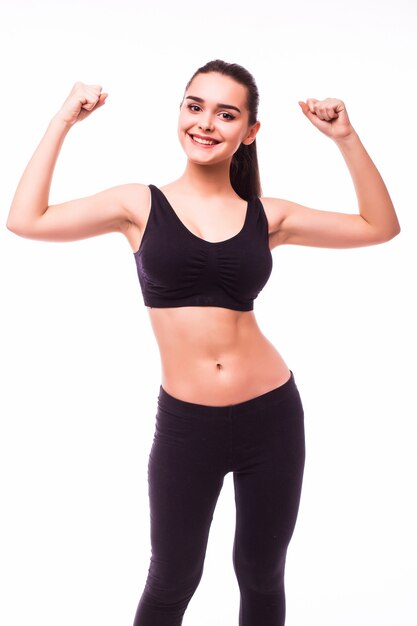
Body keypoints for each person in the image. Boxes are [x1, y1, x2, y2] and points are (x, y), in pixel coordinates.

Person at [6, 59, 400, 626]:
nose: (206, 123)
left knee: (262, 574)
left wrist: (345, 137)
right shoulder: (138, 205)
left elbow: (379, 226)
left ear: (250, 131)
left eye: (226, 113)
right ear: (181, 113)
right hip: (189, 425)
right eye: (195, 106)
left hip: (272, 414)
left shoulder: (267, 216)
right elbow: (26, 219)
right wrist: (65, 118)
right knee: (171, 579)